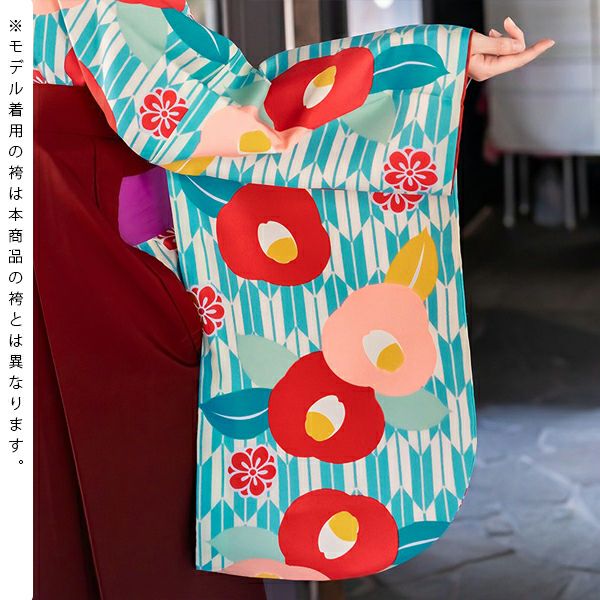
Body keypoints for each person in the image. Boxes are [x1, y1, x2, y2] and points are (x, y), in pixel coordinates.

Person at [33, 2, 553, 597]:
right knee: (142, 506)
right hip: (98, 242)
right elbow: (223, 113)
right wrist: (428, 67)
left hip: (57, 222)